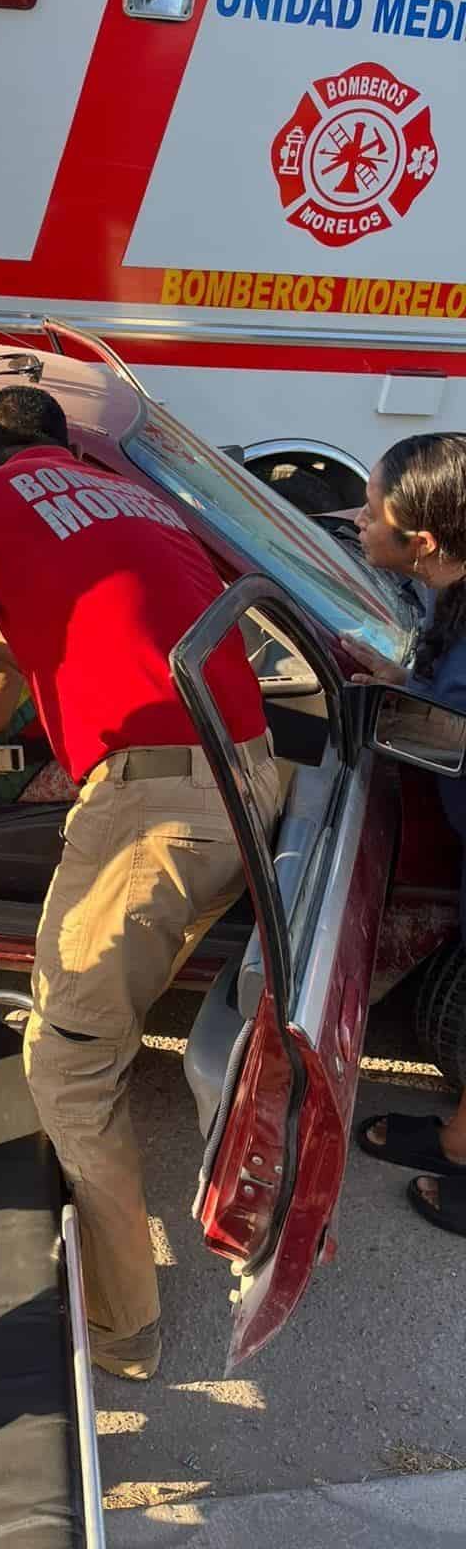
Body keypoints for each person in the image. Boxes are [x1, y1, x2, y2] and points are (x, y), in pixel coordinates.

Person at [0, 386, 279, 1380]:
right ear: (60, 447)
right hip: (253, 774)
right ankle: (100, 1036)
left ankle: (121, 1331)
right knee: (99, 1014)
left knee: (65, 1066)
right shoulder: (132, 498)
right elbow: (124, 605)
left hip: (160, 817)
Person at [347, 433, 466, 1239]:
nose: (358, 519)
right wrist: (407, 689)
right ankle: (460, 1143)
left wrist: (419, 707)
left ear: (420, 541)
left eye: (372, 506)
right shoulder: (450, 593)